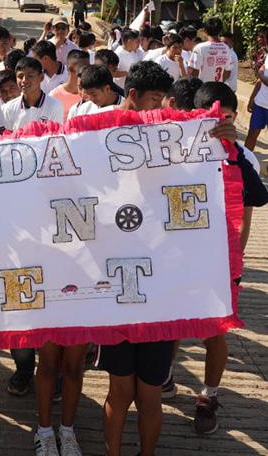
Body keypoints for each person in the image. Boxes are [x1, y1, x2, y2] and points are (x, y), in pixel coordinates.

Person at [98, 61, 175, 456]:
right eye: (154, 99)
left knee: (150, 394)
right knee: (120, 389)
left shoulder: (172, 136)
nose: (160, 107)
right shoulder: (97, 133)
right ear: (133, 96)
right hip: (117, 290)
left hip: (161, 292)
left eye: (163, 100)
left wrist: (224, 142)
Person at [188, 82, 268, 435]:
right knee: (173, 323)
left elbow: (257, 200)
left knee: (215, 331)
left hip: (220, 258)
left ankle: (209, 395)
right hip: (179, 256)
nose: (221, 125)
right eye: (213, 119)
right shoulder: (178, 146)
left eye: (228, 119)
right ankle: (164, 379)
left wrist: (235, 264)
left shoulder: (244, 155)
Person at [2, 57, 63, 130]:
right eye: (20, 76)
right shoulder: (9, 108)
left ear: (41, 77)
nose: (24, 80)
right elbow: (8, 135)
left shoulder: (54, 105)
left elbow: (56, 134)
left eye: (30, 76)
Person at [188, 17, 234, 85]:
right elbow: (228, 72)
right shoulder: (226, 48)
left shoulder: (199, 48)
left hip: (203, 88)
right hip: (217, 88)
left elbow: (193, 72)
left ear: (205, 31)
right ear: (220, 30)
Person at [49, 50, 89, 121]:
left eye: (88, 67)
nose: (87, 71)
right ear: (71, 69)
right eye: (83, 68)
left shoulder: (91, 94)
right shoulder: (53, 96)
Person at [246, 62, 268, 151]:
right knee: (251, 135)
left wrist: (260, 73)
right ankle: (246, 157)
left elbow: (263, 77)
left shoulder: (261, 72)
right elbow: (260, 82)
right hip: (260, 105)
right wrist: (252, 98)